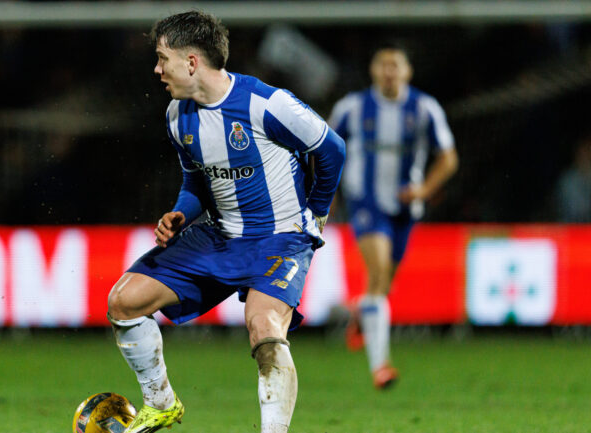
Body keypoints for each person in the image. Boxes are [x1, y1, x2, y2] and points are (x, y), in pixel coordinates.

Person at [106, 11, 345, 433]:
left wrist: (318, 213)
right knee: (124, 301)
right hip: (219, 237)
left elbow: (331, 149)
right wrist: (181, 212)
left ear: (192, 62)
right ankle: (160, 403)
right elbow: (196, 180)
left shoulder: (267, 104)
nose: (156, 68)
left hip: (279, 238)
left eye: (163, 58)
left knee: (263, 326)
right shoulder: (177, 115)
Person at [327, 42, 458, 390]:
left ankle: (361, 310)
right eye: (382, 65)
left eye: (395, 65)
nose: (389, 72)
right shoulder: (352, 107)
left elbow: (448, 157)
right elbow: (324, 150)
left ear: (407, 72)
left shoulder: (425, 107)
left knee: (383, 284)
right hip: (366, 201)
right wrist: (327, 197)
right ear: (373, 71)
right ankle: (380, 366)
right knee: (379, 271)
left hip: (404, 205)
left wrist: (424, 190)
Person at [555, 135, 591, 222]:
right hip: (572, 226)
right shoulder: (568, 179)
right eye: (581, 152)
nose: (585, 155)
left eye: (587, 152)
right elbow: (574, 211)